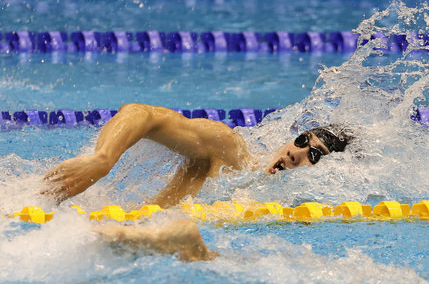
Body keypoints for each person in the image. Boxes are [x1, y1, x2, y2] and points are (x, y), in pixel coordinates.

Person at [41, 103, 352, 262]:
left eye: (314, 155)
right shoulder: (230, 150)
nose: (297, 153)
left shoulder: (309, 207)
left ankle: (182, 241)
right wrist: (103, 159)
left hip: (149, 241)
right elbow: (142, 113)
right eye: (301, 141)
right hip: (137, 230)